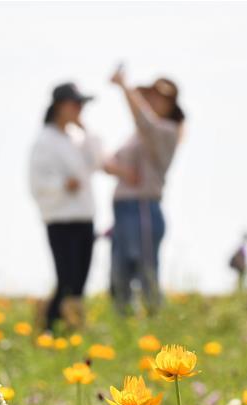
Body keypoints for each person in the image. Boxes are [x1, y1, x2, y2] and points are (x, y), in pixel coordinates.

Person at [105, 67, 184, 315]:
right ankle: (123, 323)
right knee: (120, 273)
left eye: (162, 96)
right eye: (151, 94)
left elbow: (144, 120)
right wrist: (122, 172)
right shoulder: (135, 137)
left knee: (146, 270)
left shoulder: (167, 132)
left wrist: (124, 86)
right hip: (122, 210)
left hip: (143, 208)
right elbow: (109, 162)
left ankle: (154, 323)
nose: (154, 100)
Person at [29, 82, 102, 331]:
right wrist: (62, 185)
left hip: (84, 217)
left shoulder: (77, 138)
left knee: (80, 281)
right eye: (75, 104)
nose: (80, 109)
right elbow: (37, 181)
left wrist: (86, 130)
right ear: (60, 106)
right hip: (60, 219)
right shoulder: (44, 141)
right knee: (66, 279)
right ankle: (49, 327)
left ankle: (71, 328)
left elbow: (97, 161)